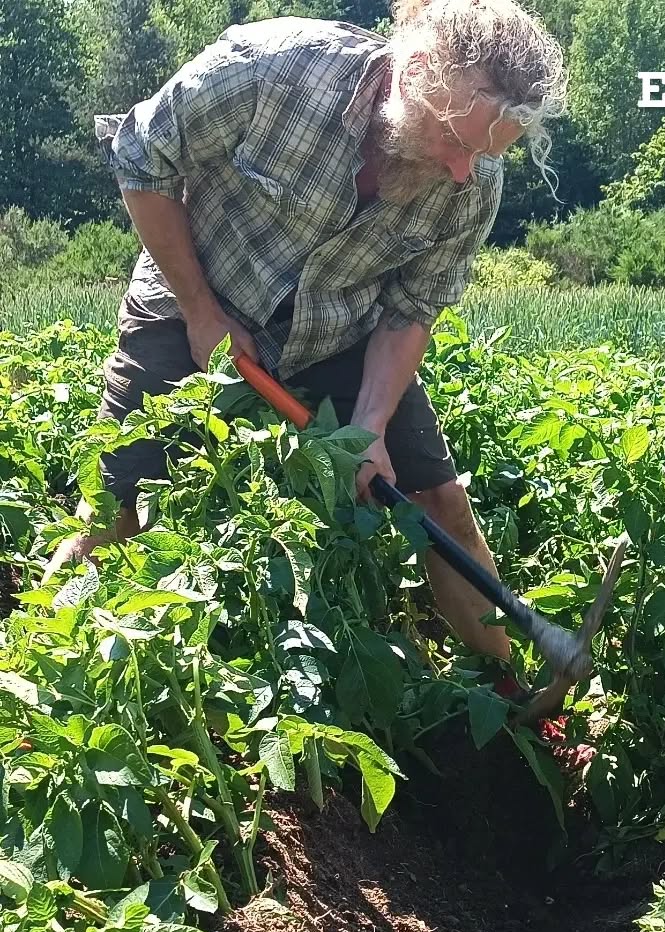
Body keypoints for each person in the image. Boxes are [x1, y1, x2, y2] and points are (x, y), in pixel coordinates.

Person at [44, 0, 567, 677]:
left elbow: (412, 308)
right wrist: (203, 312)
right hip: (192, 291)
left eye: (484, 155)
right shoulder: (273, 68)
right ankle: (43, 680)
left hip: (338, 332)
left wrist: (372, 424)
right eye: (456, 142)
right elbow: (143, 158)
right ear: (414, 75)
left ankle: (514, 701)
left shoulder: (472, 184)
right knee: (115, 510)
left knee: (440, 504)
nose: (464, 171)